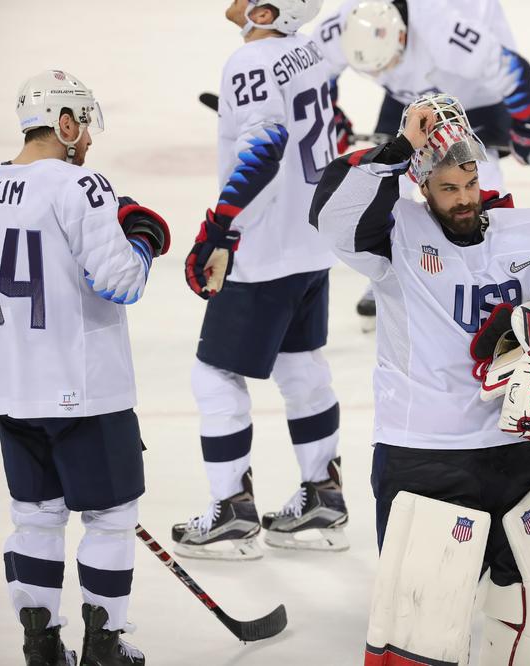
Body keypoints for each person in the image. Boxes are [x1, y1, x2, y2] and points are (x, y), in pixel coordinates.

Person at [310, 92, 530, 664]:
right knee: (423, 624)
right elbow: (332, 215)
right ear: (420, 184)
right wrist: (400, 147)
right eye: (447, 188)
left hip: (517, 451)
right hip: (424, 454)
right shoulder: (393, 235)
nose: (463, 198)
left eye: (469, 182)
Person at [0, 69, 170, 666]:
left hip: (13, 391)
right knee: (110, 518)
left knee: (35, 520)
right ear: (65, 123)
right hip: (86, 390)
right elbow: (121, 282)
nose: (90, 138)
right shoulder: (81, 185)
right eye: (85, 125)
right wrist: (143, 236)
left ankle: (41, 647)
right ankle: (104, 647)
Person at [172, 0, 349, 560]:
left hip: (265, 249)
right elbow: (330, 128)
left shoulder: (249, 62)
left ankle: (231, 510)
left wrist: (221, 230)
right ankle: (323, 496)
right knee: (301, 367)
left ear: (267, 11)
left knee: (214, 374)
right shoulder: (307, 51)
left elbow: (265, 150)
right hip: (310, 241)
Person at [314, 0, 530, 326]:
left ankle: (496, 272)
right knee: (387, 177)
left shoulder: (441, 28)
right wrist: (331, 116)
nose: (382, 73)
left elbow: (514, 72)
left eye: (387, 63)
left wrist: (528, 130)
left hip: (475, 98)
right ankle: (389, 273)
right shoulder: (348, 23)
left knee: (478, 183)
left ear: (402, 36)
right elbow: (317, 74)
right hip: (410, 99)